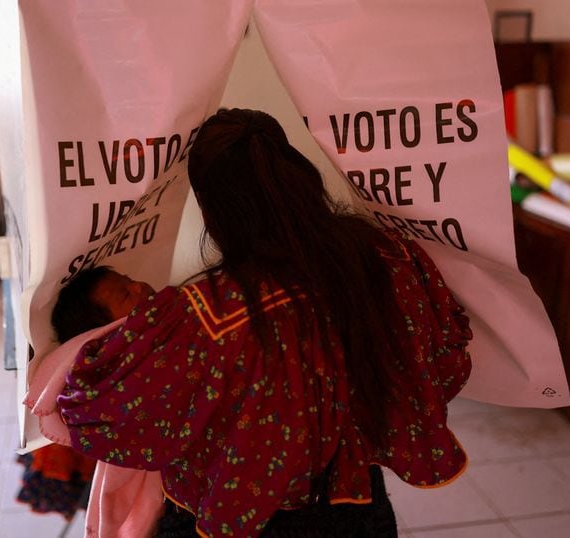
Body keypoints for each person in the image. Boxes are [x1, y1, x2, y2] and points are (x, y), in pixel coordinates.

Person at [57, 109, 473, 537]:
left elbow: (100, 412)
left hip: (254, 524)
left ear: (214, 211)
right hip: (359, 510)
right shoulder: (392, 258)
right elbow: (447, 356)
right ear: (297, 171)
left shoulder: (208, 316)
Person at [17, 267, 154, 520]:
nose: (139, 286)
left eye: (131, 280)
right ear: (110, 330)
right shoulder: (114, 375)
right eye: (126, 294)